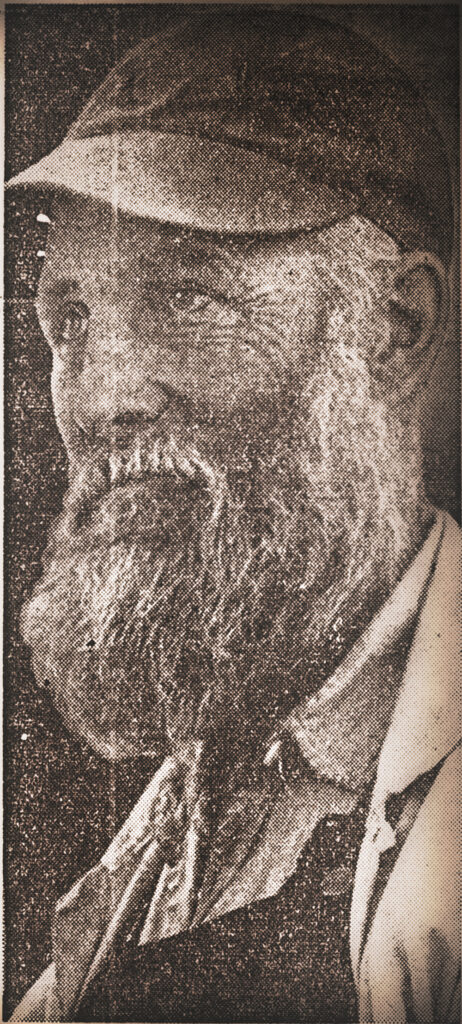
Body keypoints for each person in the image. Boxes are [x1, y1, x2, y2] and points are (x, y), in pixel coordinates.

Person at [8, 9, 460, 1022]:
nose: (104, 397)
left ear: (395, 329)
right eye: (71, 319)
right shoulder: (189, 804)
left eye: (190, 298)